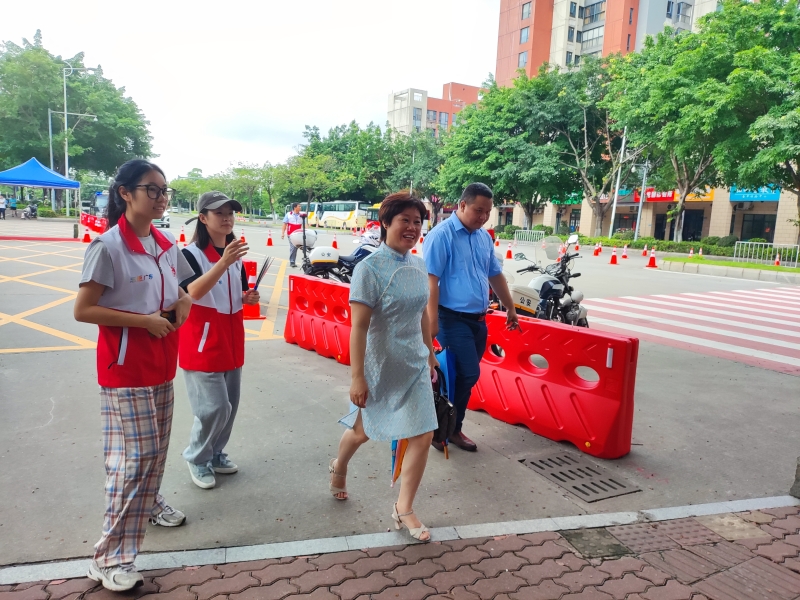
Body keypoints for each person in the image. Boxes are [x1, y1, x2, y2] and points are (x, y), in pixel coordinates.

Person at [74, 159, 194, 593]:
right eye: (152, 189)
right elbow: (83, 309)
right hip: (125, 369)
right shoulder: (108, 247)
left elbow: (181, 289)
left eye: (165, 190)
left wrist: (183, 302)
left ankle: (149, 503)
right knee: (134, 460)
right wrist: (143, 322)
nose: (161, 198)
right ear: (125, 193)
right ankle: (108, 559)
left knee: (154, 454)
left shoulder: (165, 243)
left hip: (162, 363)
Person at [330, 191, 439, 542]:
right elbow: (359, 327)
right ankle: (339, 466)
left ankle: (403, 507)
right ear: (385, 223)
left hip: (414, 364)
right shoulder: (369, 268)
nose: (412, 228)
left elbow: (423, 314)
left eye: (417, 222)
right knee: (363, 431)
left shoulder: (418, 265)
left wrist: (430, 354)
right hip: (380, 366)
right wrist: (357, 377)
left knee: (423, 433)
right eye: (404, 220)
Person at [424, 183, 519, 453]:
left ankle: (449, 427)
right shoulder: (442, 235)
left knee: (463, 378)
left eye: (488, 212)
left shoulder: (483, 238)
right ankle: (442, 427)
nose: (483, 217)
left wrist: (510, 307)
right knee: (467, 373)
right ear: (462, 205)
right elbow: (431, 281)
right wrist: (432, 321)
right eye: (478, 210)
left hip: (478, 321)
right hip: (451, 319)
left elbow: (495, 274)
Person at [179, 191, 260, 489]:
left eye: (230, 213)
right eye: (219, 213)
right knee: (214, 407)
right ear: (203, 218)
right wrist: (223, 263)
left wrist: (247, 297)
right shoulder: (190, 255)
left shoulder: (234, 255)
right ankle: (197, 457)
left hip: (231, 337)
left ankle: (215, 453)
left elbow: (238, 291)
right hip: (202, 340)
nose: (227, 218)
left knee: (230, 405)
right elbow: (193, 292)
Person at [281, 203, 304, 267]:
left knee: (301, 247)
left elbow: (305, 224)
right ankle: (292, 261)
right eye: (299, 206)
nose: (300, 207)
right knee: (293, 247)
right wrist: (282, 233)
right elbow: (284, 224)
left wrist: (307, 232)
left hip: (299, 234)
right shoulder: (288, 214)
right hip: (291, 234)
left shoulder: (302, 215)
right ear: (295, 207)